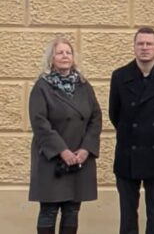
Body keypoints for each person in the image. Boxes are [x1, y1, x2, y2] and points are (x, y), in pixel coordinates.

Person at [108, 27, 154, 234]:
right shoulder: (120, 76)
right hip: (127, 154)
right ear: (134, 47)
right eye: (140, 43)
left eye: (149, 44)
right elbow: (114, 113)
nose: (144, 48)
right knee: (128, 215)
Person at [29, 37, 102, 234]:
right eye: (60, 52)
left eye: (68, 52)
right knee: (49, 210)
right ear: (51, 58)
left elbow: (96, 118)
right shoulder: (42, 87)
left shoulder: (84, 86)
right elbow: (39, 123)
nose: (64, 56)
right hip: (52, 159)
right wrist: (62, 150)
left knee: (72, 210)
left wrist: (86, 149)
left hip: (79, 158)